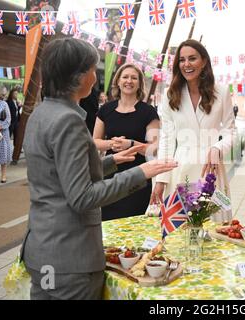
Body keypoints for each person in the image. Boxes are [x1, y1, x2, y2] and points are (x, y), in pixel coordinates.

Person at [21, 38, 177, 300]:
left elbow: (60, 173)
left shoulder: (41, 113)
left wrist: (112, 162)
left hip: (43, 247)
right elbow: (82, 196)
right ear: (78, 76)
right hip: (69, 258)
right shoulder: (68, 120)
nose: (95, 77)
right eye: (92, 69)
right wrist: (141, 173)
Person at [151, 39, 235, 223]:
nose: (186, 64)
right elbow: (166, 139)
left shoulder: (221, 91)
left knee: (215, 230)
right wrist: (161, 179)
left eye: (192, 58)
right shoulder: (170, 94)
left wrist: (218, 148)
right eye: (182, 60)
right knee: (179, 230)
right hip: (179, 169)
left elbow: (230, 131)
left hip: (211, 169)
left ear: (204, 61)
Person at [93, 64, 160, 221]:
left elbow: (154, 148)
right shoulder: (106, 110)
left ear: (139, 83)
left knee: (133, 222)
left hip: (138, 175)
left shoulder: (148, 112)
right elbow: (94, 141)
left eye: (134, 78)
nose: (129, 81)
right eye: (125, 77)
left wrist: (131, 144)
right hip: (110, 173)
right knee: (108, 221)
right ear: (118, 81)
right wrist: (112, 144)